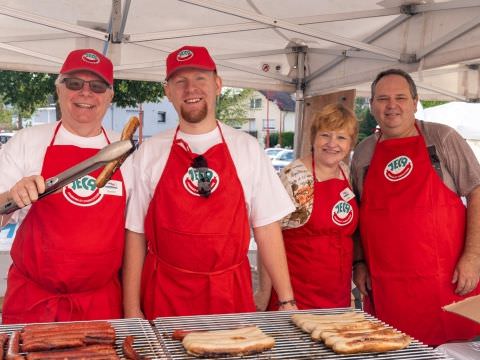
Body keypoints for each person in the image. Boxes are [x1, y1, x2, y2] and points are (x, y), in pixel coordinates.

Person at [123, 45, 297, 319]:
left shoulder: (247, 148)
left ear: (217, 84)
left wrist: (286, 300)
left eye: (200, 79)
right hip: (165, 292)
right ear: (168, 91)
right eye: (180, 81)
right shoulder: (150, 151)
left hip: (230, 292)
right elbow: (135, 233)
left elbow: (267, 228)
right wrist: (132, 310)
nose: (191, 89)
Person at [0, 48, 133, 324]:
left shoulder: (126, 153)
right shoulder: (27, 142)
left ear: (110, 96)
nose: (86, 93)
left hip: (100, 304)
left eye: (97, 86)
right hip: (33, 301)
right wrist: (12, 197)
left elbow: (135, 234)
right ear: (59, 88)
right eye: (74, 83)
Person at [351, 68, 480, 346]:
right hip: (387, 287)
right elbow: (358, 215)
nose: (392, 105)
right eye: (383, 98)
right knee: (395, 349)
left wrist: (473, 257)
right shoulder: (363, 152)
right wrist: (359, 262)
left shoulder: (442, 138)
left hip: (446, 280)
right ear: (372, 105)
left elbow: (477, 192)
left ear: (415, 101)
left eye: (400, 97)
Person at [255, 103, 359, 311]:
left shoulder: (347, 174)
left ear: (350, 143)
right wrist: (265, 294)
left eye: (341, 137)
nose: (332, 144)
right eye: (325, 135)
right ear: (313, 138)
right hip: (295, 298)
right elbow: (268, 236)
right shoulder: (293, 177)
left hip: (336, 297)